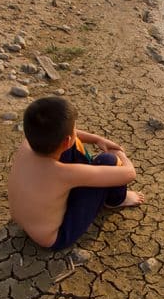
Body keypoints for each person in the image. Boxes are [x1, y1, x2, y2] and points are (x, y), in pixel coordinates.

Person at [8, 96, 144, 249]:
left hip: (25, 221)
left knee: (66, 146)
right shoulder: (64, 174)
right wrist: (120, 154)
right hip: (56, 237)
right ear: (66, 140)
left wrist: (97, 139)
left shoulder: (27, 145)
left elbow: (67, 136)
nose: (76, 131)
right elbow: (129, 173)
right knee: (108, 161)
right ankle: (117, 200)